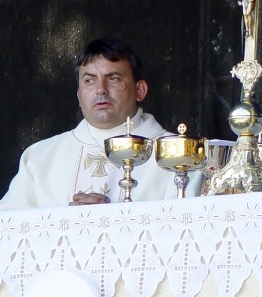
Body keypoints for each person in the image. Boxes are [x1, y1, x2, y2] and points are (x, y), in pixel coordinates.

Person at [0, 38, 201, 211]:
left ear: (140, 90)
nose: (100, 90)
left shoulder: (183, 157)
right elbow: (9, 232)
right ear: (79, 95)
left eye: (113, 78)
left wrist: (109, 220)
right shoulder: (40, 158)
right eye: (89, 81)